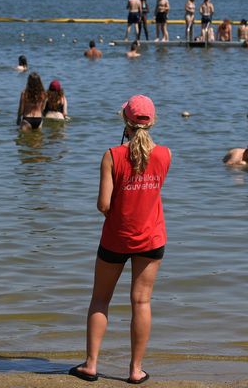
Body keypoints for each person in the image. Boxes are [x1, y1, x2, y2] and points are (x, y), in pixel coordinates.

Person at [69, 95, 171, 385]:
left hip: (116, 238)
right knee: (141, 302)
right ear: (152, 122)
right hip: (151, 238)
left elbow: (103, 205)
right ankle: (135, 370)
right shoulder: (166, 154)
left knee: (100, 300)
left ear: (125, 122)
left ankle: (91, 365)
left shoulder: (112, 154)